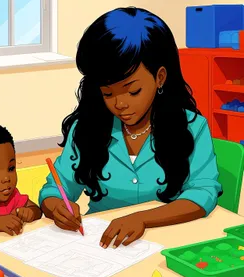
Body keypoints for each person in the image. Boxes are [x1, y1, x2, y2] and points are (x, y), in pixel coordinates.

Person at [39, 7, 222, 249]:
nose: (120, 104)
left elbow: (202, 194)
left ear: (160, 77)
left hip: (171, 244)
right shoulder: (87, 129)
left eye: (133, 90)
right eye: (107, 93)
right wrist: (56, 206)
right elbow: (56, 187)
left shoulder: (191, 127)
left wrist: (142, 219)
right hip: (103, 247)